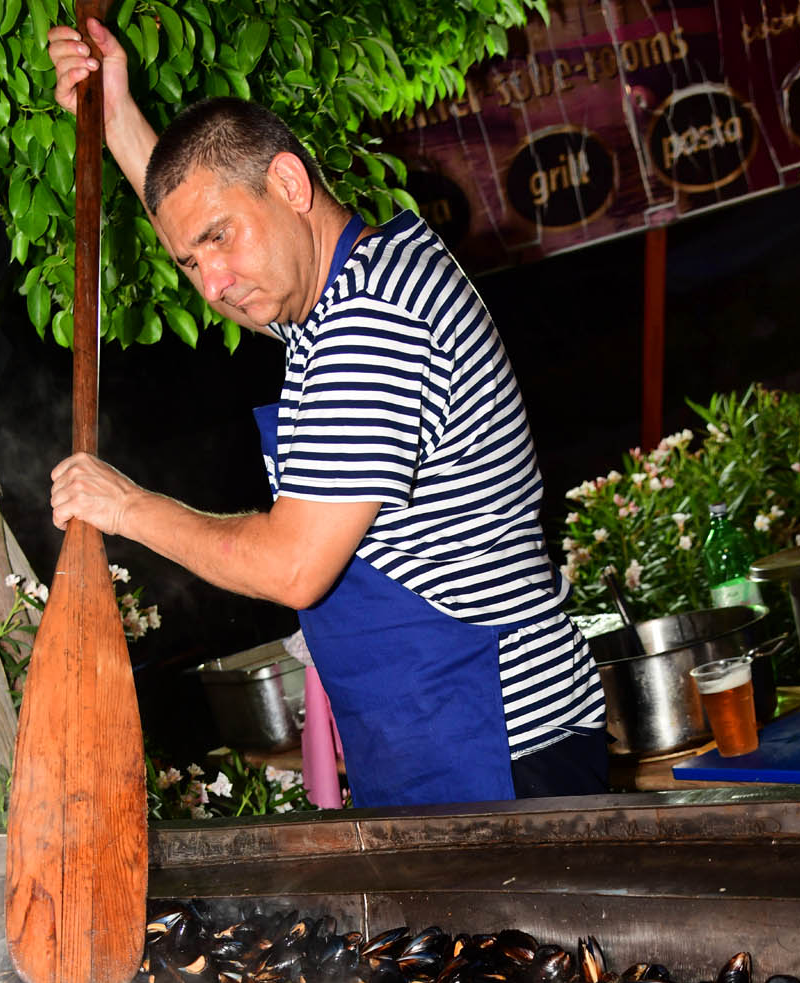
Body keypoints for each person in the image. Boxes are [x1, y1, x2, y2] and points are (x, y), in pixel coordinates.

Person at [47, 19, 608, 808]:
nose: (212, 284)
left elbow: (295, 566)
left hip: (500, 753)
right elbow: (205, 214)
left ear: (289, 184)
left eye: (221, 241)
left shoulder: (370, 323)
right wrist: (115, 119)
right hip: (446, 748)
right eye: (190, 261)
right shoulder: (347, 289)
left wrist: (127, 506)